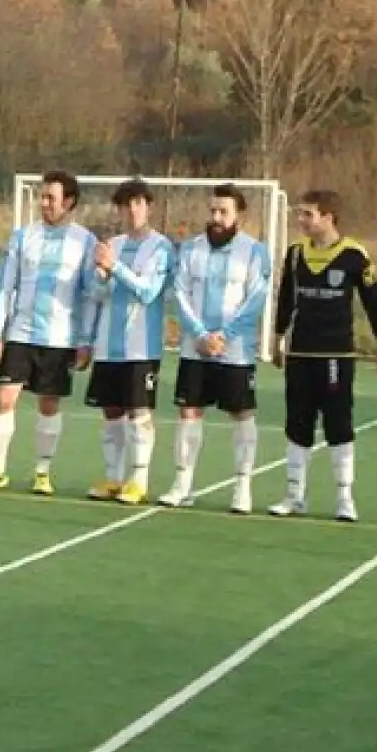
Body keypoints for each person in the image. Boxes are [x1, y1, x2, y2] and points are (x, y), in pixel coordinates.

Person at [269, 189, 377, 521]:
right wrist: (278, 338)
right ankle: (294, 495)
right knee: (297, 422)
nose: (301, 221)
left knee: (338, 423)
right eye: (300, 214)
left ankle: (344, 498)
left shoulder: (354, 255)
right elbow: (285, 300)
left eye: (307, 215)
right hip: (300, 353)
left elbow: (372, 299)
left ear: (328, 217)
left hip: (336, 353)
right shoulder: (295, 255)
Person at [0, 169, 98, 495]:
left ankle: (42, 472)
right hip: (20, 333)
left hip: (59, 338)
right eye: (42, 197)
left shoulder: (85, 242)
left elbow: (89, 295)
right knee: (3, 399)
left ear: (69, 202)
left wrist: (85, 341)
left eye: (51, 198)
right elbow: (4, 286)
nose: (44, 203)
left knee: (48, 405)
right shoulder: (22, 237)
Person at [162, 183, 271, 514]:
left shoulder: (254, 251)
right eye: (213, 211)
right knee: (189, 411)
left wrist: (223, 335)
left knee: (241, 413)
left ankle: (242, 488)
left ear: (239, 215)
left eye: (224, 212)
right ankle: (183, 484)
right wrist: (199, 333)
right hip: (195, 348)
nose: (217, 217)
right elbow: (179, 294)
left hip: (235, 351)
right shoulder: (192, 249)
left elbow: (256, 300)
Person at [83, 179, 174, 505]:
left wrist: (114, 267)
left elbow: (148, 292)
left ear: (148, 206)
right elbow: (97, 294)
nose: (132, 210)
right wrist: (101, 276)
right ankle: (113, 477)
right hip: (109, 344)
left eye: (138, 203)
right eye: (126, 204)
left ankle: (139, 479)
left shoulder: (161, 247)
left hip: (141, 346)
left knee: (139, 412)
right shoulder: (114, 244)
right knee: (111, 413)